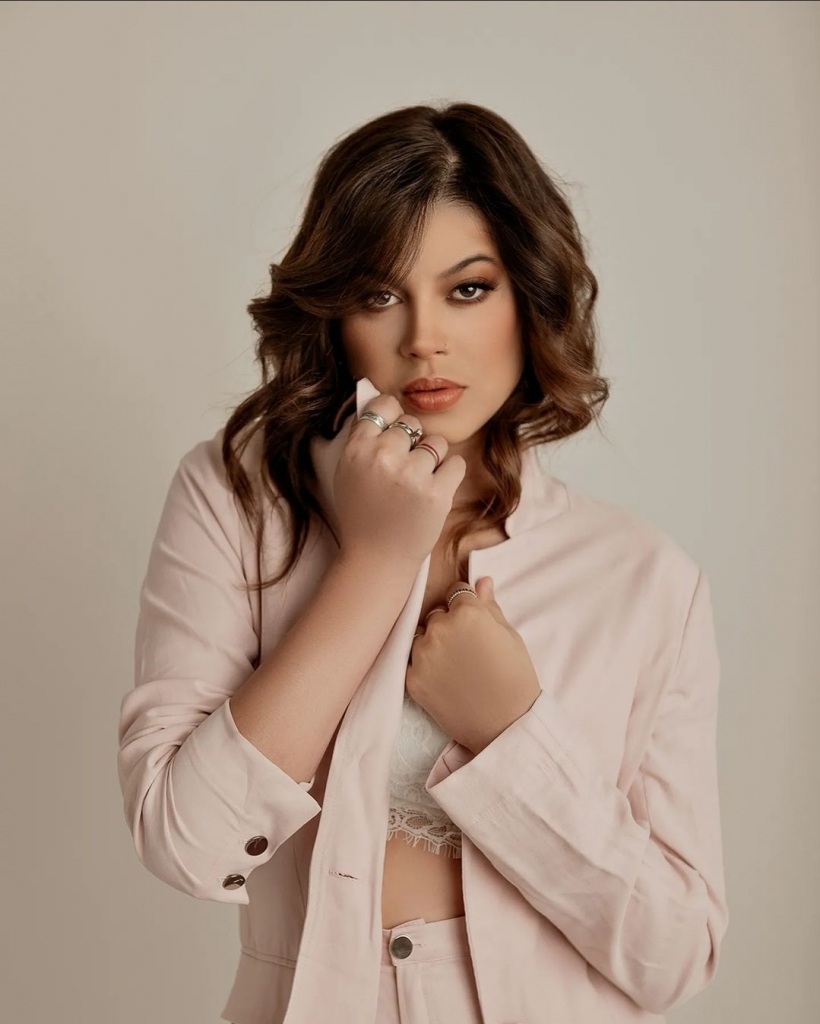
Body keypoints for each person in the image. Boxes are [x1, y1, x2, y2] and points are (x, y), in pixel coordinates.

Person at [117, 102, 728, 1024]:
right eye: (378, 294)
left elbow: (674, 955)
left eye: (468, 289)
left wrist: (512, 733)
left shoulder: (643, 579)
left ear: (530, 297)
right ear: (334, 314)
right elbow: (185, 840)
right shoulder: (237, 499)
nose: (423, 340)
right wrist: (372, 563)